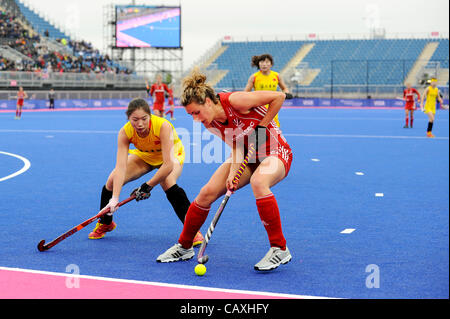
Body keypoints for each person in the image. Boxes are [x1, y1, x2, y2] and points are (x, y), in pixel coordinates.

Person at [157, 69, 293, 271]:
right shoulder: (210, 123)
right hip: (249, 156)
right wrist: (232, 174)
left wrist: (262, 127)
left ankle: (279, 248)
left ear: (208, 102)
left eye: (196, 112)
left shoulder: (236, 101)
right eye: (191, 114)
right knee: (206, 193)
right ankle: (185, 246)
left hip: (276, 152)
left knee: (259, 182)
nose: (195, 119)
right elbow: (237, 145)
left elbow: (279, 97)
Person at [88, 98, 204, 246]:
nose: (140, 124)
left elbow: (168, 165)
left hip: (170, 155)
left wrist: (147, 186)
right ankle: (106, 223)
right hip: (146, 155)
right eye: (135, 119)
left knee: (167, 181)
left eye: (144, 118)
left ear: (150, 116)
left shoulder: (163, 126)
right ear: (128, 118)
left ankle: (192, 231)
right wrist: (115, 199)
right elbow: (121, 167)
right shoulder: (125, 132)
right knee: (111, 181)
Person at [244, 54, 292, 127]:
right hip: (259, 109)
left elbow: (284, 88)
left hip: (273, 108)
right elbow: (245, 93)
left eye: (267, 62)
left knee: (274, 131)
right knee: (261, 132)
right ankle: (260, 137)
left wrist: (286, 93)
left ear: (271, 64)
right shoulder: (254, 77)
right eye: (262, 62)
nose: (264, 64)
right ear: (258, 64)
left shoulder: (276, 76)